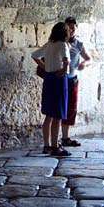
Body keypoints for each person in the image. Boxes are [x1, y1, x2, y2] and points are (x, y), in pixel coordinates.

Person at [32, 22, 71, 156]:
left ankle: (47, 145)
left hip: (48, 79)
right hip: (59, 80)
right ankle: (55, 146)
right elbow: (66, 60)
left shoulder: (49, 45)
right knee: (58, 114)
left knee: (49, 114)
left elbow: (34, 55)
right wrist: (64, 70)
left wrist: (45, 66)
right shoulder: (63, 45)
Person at [61, 17, 91, 147]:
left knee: (71, 108)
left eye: (73, 28)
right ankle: (55, 138)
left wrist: (84, 63)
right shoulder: (60, 42)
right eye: (69, 27)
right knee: (59, 108)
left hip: (72, 79)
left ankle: (66, 137)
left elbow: (89, 59)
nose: (71, 30)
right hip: (61, 79)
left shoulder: (79, 44)